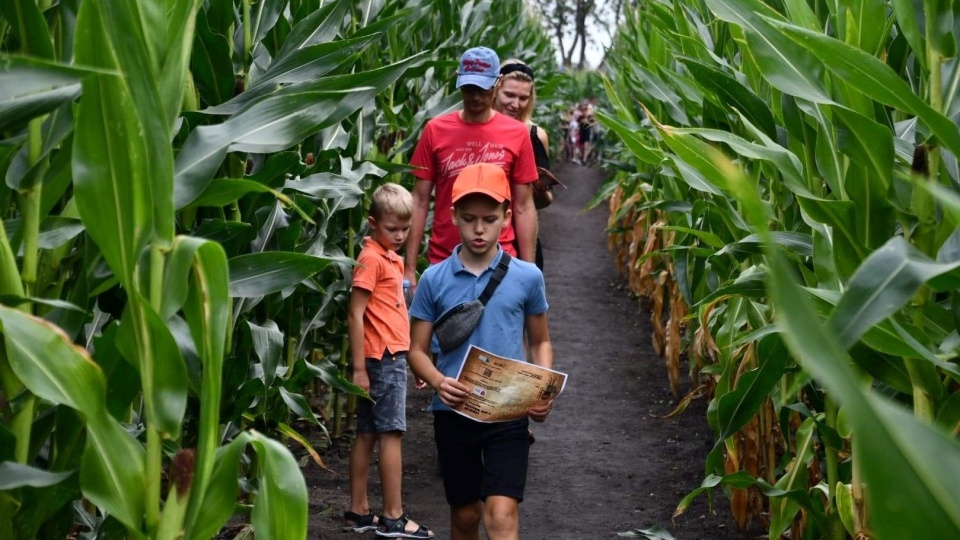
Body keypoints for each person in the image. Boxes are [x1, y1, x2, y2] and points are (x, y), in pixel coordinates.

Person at [407, 163, 555, 540]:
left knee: (502, 513)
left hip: (508, 410)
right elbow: (417, 351)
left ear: (507, 217)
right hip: (454, 412)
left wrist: (544, 389)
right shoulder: (433, 279)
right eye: (469, 218)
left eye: (489, 219)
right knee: (466, 515)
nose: (478, 229)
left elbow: (540, 340)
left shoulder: (527, 276)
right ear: (452, 215)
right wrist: (439, 382)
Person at [405, 46, 539, 293]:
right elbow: (420, 200)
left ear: (497, 84)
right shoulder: (435, 130)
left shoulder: (518, 134)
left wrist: (529, 272)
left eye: (483, 89)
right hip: (445, 262)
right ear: (458, 79)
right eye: (469, 89)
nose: (476, 97)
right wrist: (409, 270)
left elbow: (523, 205)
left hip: (501, 266)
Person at [345, 183, 433, 539]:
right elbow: (355, 314)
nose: (399, 235)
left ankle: (358, 510)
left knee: (367, 433)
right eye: (391, 229)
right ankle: (393, 516)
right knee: (391, 433)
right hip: (381, 359)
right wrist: (359, 368)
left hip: (390, 357)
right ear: (372, 223)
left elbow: (393, 313)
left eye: (405, 229)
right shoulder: (371, 259)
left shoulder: (390, 259)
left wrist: (413, 362)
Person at [493, 59, 552, 269]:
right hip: (481, 232)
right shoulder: (478, 130)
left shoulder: (536, 135)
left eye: (523, 98)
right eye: (509, 95)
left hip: (521, 237)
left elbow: (544, 202)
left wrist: (538, 188)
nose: (515, 104)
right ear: (494, 89)